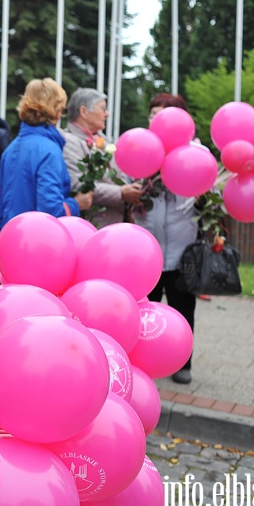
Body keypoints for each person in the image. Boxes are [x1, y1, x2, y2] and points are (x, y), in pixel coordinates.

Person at [132, 93, 199, 384]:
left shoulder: (196, 152)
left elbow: (213, 188)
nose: (154, 120)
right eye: (152, 114)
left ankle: (183, 361)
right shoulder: (140, 148)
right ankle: (145, 362)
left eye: (161, 114)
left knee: (183, 304)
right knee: (145, 308)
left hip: (184, 244)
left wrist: (202, 193)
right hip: (146, 245)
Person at [0, 78, 93, 238]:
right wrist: (76, 204)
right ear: (56, 111)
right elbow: (50, 211)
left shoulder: (11, 149)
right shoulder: (49, 151)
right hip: (35, 243)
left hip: (10, 240)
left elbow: (1, 211)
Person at [63, 87, 143, 227]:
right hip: (91, 225)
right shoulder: (69, 141)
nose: (107, 114)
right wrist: (121, 193)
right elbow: (78, 185)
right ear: (84, 112)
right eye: (103, 109)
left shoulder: (103, 141)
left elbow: (117, 176)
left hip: (114, 223)